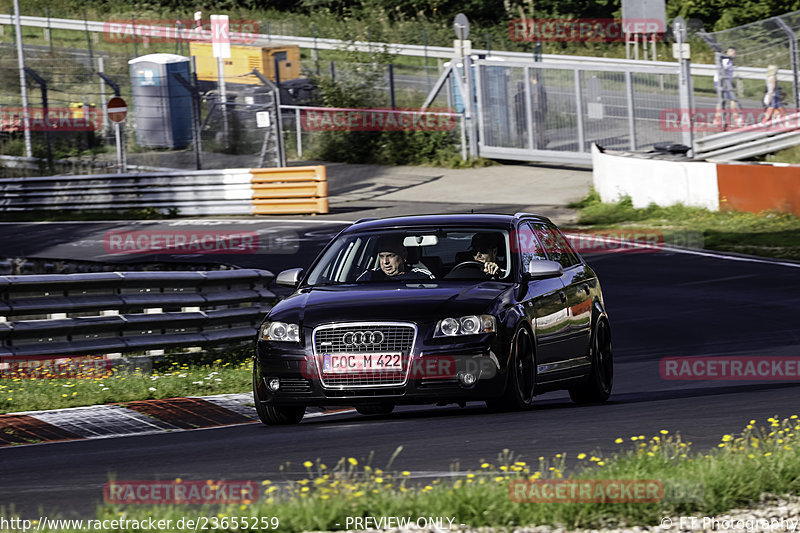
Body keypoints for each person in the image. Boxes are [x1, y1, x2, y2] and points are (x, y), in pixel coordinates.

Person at [357, 235, 434, 282]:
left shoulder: (422, 277)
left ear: (403, 256)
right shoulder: (369, 276)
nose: (385, 262)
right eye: (381, 256)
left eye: (390, 256)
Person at [712, 47, 743, 128]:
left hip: (725, 82)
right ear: (729, 52)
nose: (734, 54)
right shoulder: (726, 60)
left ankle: (717, 118)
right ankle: (736, 119)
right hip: (722, 82)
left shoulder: (729, 60)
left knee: (724, 100)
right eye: (733, 52)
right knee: (731, 99)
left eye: (735, 52)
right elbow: (722, 70)